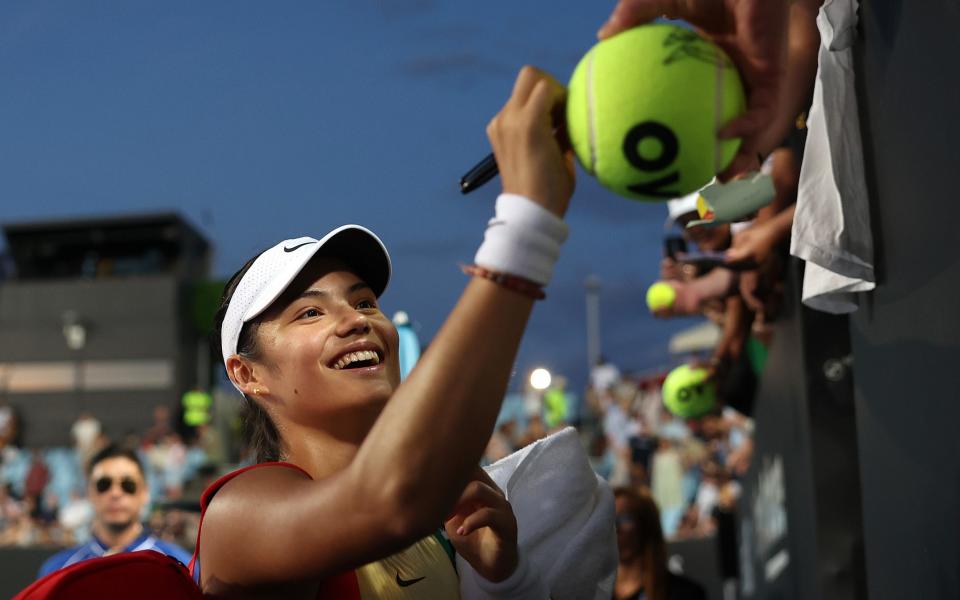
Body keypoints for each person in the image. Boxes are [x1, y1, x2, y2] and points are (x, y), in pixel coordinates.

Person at [194, 66, 584, 597]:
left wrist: (503, 578)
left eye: (364, 301)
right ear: (247, 374)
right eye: (309, 313)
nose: (357, 319)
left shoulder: (438, 523)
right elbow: (387, 500)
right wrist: (526, 226)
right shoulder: (242, 511)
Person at [37, 444, 192, 578]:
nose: (115, 493)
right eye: (104, 485)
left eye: (128, 485)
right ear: (89, 492)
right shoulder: (57, 571)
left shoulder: (181, 567)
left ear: (145, 493)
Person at [614, 487, 707, 600]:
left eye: (624, 518)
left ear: (646, 526)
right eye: (608, 519)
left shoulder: (685, 593)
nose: (615, 527)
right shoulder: (592, 592)